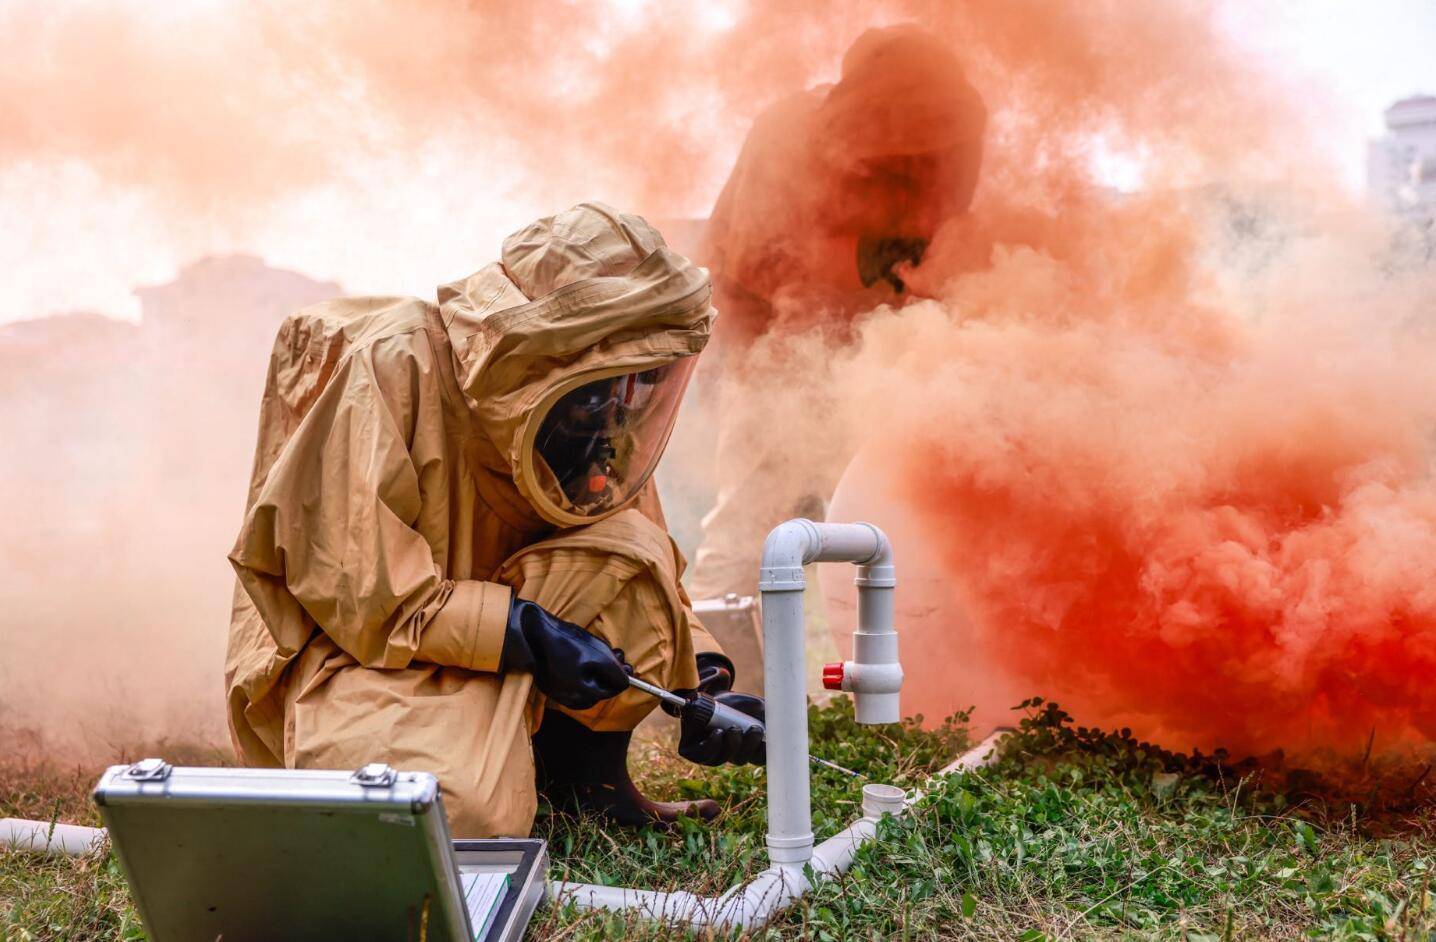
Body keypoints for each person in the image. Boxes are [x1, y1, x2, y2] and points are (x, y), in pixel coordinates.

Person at [224, 203, 764, 838]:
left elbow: (641, 560)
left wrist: (702, 680)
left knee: (626, 550)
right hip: (362, 657)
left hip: (480, 635)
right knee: (453, 813)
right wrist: (527, 632)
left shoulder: (593, 419)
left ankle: (584, 792)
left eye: (645, 378)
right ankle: (469, 766)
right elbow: (363, 597)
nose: (627, 402)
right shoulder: (395, 363)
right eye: (615, 378)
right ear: (547, 356)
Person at [688, 25, 987, 600]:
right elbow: (755, 264)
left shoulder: (945, 146)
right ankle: (720, 686)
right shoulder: (788, 136)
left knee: (887, 534)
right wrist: (820, 335)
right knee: (750, 538)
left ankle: (891, 685)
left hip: (868, 362)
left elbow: (940, 248)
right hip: (769, 358)